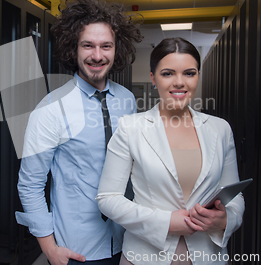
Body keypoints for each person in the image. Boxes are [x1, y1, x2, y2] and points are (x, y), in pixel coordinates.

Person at [16, 0, 143, 265]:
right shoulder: (50, 109)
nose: (97, 55)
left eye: (106, 46)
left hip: (128, 242)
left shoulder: (127, 100)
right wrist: (50, 249)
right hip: (77, 251)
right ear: (73, 48)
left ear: (116, 49)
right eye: (88, 45)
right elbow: (30, 185)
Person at [96, 38, 245, 265]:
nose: (179, 82)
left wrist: (225, 220)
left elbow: (235, 197)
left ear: (197, 76)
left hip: (208, 257)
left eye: (189, 73)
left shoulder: (220, 129)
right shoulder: (131, 127)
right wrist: (165, 222)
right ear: (153, 78)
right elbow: (108, 198)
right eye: (167, 74)